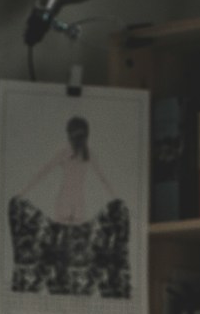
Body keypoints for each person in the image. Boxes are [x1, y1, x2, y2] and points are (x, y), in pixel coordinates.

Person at [7, 116, 131, 298]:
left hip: (67, 200)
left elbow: (43, 172)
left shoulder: (69, 152)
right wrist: (118, 198)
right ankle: (69, 288)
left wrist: (23, 192)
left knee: (64, 246)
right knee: (71, 246)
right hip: (76, 202)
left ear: (69, 135)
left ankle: (64, 287)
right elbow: (103, 178)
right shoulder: (84, 154)